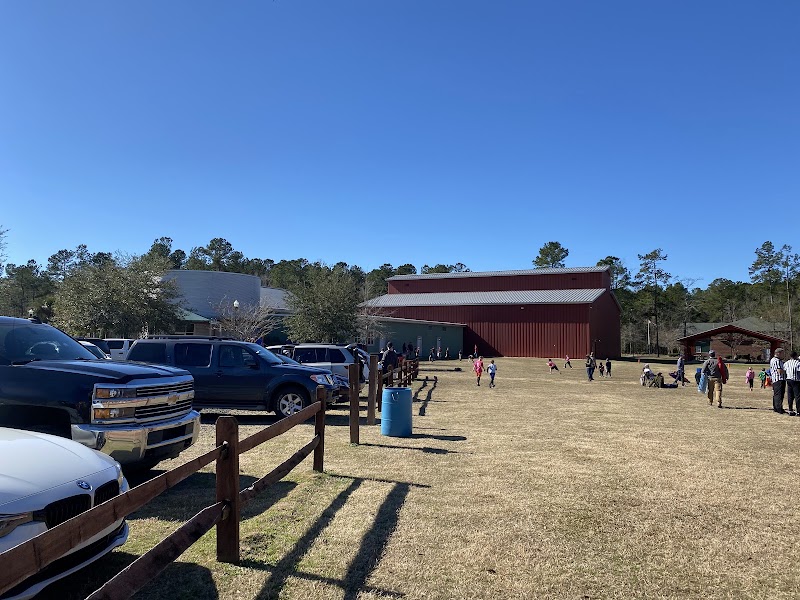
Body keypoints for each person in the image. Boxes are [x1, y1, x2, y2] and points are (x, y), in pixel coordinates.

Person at [770, 348, 787, 414]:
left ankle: (776, 407)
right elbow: (779, 371)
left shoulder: (772, 360)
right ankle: (779, 408)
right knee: (779, 395)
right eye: (782, 353)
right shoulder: (777, 361)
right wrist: (786, 371)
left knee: (776, 394)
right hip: (779, 379)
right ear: (778, 353)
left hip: (775, 379)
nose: (783, 355)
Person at [784, 350, 800, 415]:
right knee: (797, 396)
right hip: (796, 380)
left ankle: (790, 410)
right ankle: (798, 411)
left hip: (789, 380)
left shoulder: (787, 363)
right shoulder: (798, 363)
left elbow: (784, 371)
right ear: (796, 356)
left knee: (790, 396)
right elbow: (799, 372)